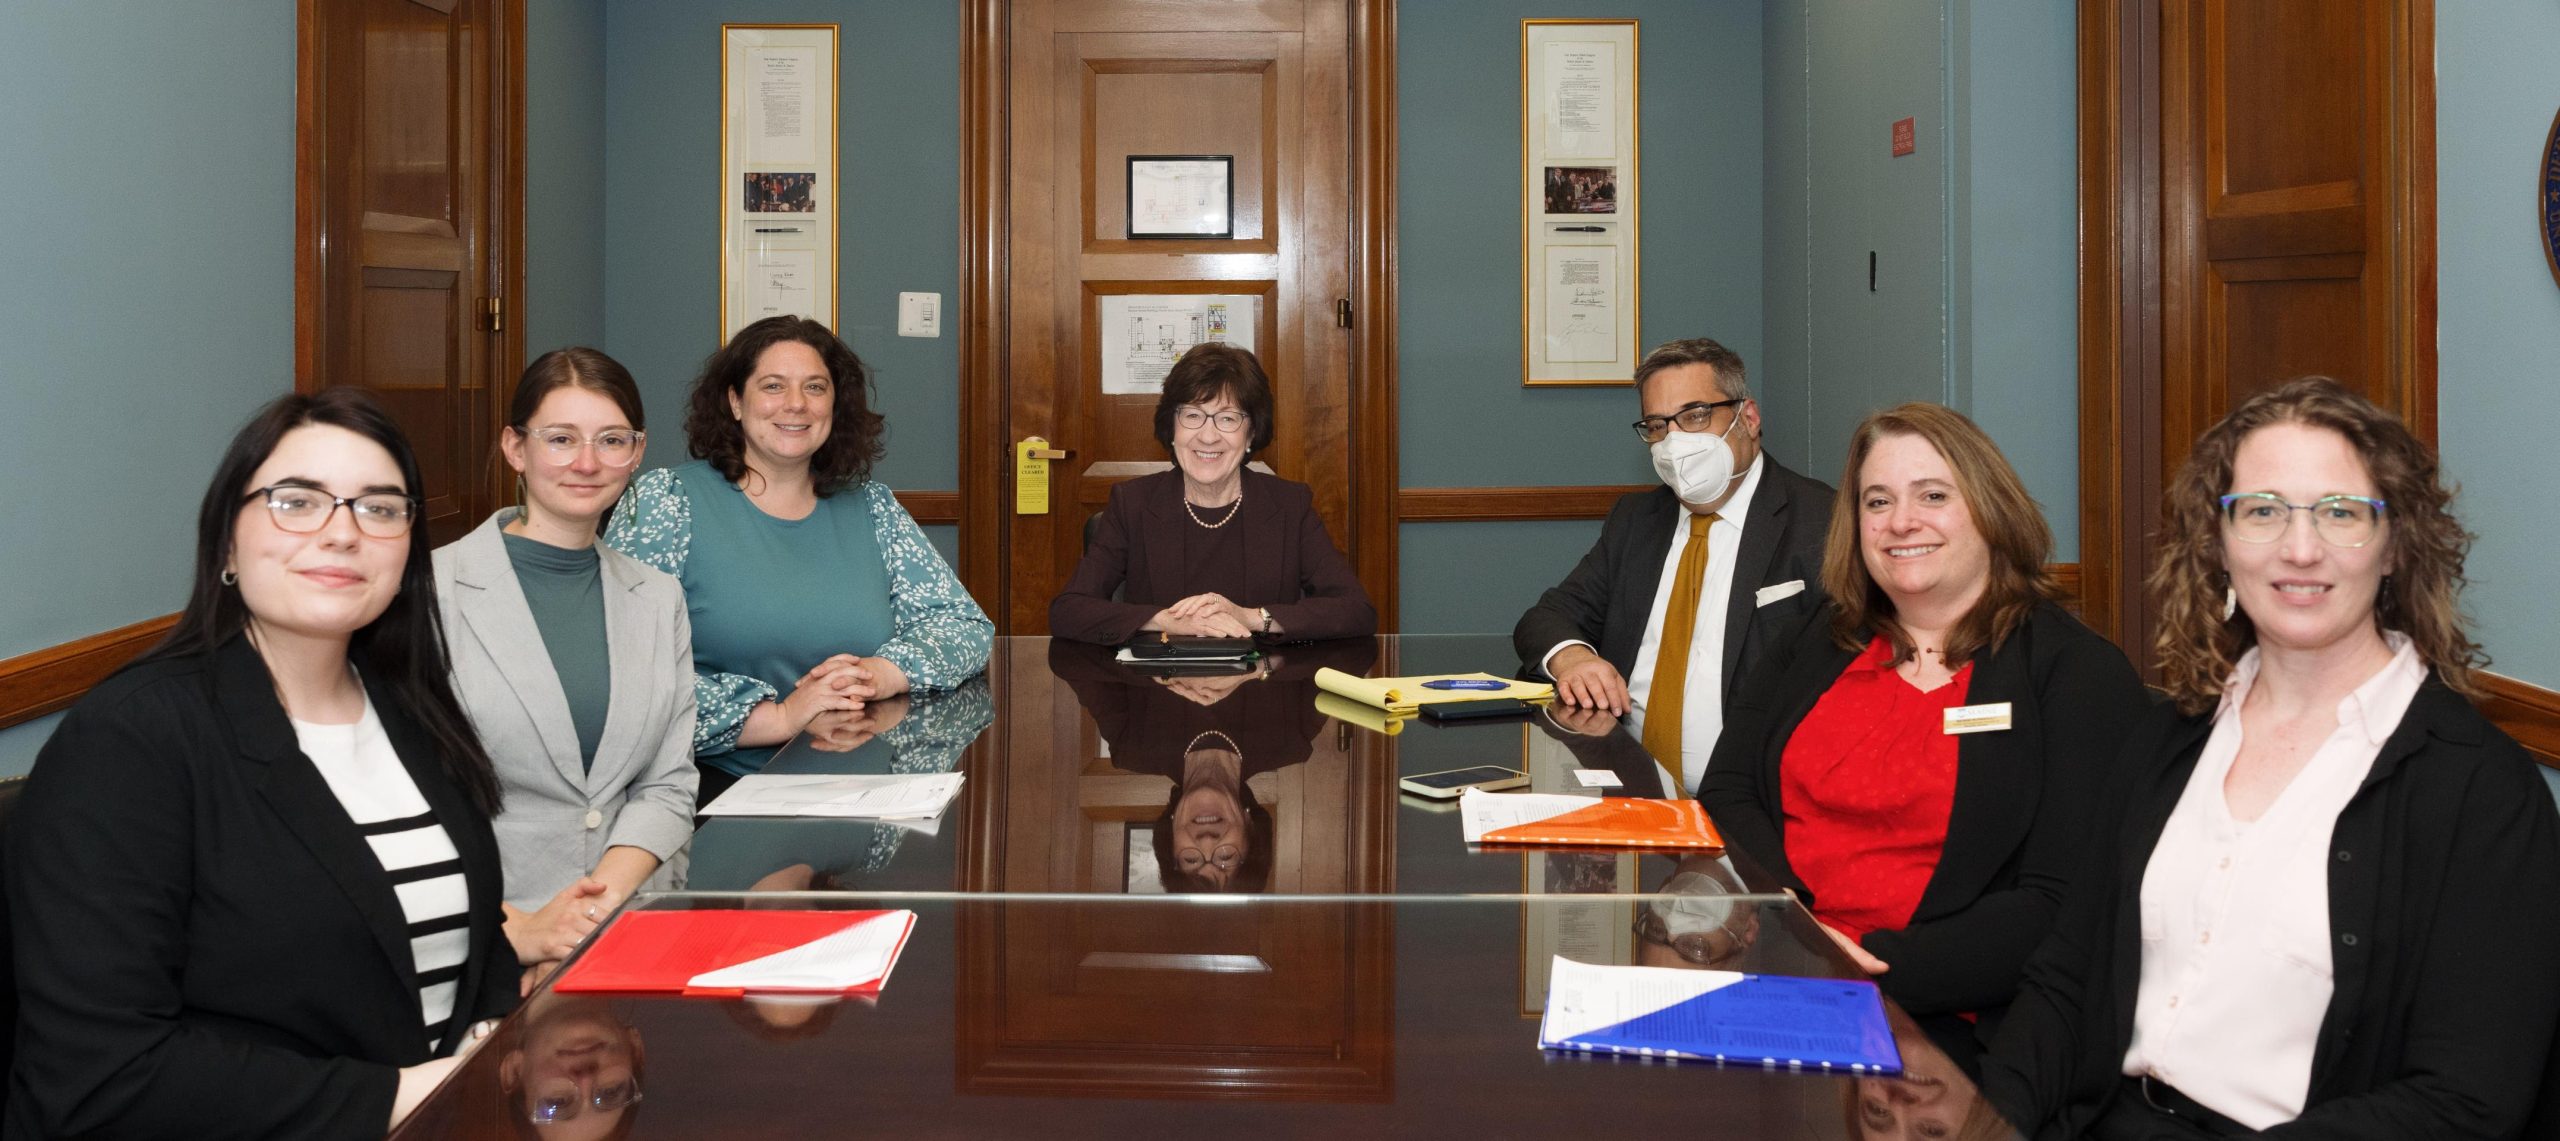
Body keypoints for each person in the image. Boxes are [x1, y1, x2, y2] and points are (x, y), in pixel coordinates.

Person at [1982, 378, 2560, 1139]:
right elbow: (2066, 978)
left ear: (2396, 546)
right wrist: (1987, 1124)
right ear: (2218, 543)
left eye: (2341, 512)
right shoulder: (2169, 738)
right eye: (2262, 510)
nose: (2299, 547)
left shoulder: (2482, 791)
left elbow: (2463, 1100)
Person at [5, 388, 517, 1138]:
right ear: (225, 541)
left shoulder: (410, 708)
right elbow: (101, 1072)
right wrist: (411, 1092)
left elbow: (468, 952)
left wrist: (508, 1040)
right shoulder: (129, 741)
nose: (343, 532)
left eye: (379, 507)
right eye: (298, 501)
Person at [1696, 402, 2147, 1073]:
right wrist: (1793, 924)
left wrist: (1866, 968)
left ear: (1991, 508)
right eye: (1878, 501)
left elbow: (2064, 902)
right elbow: (1729, 788)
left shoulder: (2077, 673)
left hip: (1956, 1023)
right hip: (1786, 981)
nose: (1902, 521)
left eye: (1933, 495)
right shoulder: (1821, 636)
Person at [605, 315, 992, 805]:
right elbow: (624, 669)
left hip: (859, 787)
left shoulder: (871, 506)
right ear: (735, 401)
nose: (796, 404)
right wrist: (782, 716)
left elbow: (963, 626)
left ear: (836, 404)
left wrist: (879, 673)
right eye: (773, 386)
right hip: (714, 789)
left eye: (815, 387)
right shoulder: (668, 500)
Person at [434, 348, 698, 969]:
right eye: (560, 439)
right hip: (478, 940)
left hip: (625, 932)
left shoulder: (658, 598)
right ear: (515, 448)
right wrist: (524, 933)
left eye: (611, 440)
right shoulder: (425, 592)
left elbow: (668, 785)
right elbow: (409, 805)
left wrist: (589, 914)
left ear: (637, 453)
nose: (586, 463)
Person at [1513, 337, 1835, 796]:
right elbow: (1545, 618)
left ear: (1748, 417)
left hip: (1756, 800)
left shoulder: (1823, 522)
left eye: (1696, 415)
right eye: (1658, 425)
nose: (1675, 440)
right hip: (1630, 784)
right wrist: (1574, 658)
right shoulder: (1637, 522)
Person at [1048, 341, 1375, 644]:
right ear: (1172, 429)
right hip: (1160, 692)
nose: (1208, 436)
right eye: (1192, 415)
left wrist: (1251, 618)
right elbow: (1068, 611)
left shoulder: (1290, 505)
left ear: (1251, 434)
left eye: (1227, 418)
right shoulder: (1132, 504)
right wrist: (1166, 620)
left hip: (1263, 692)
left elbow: (1356, 611)